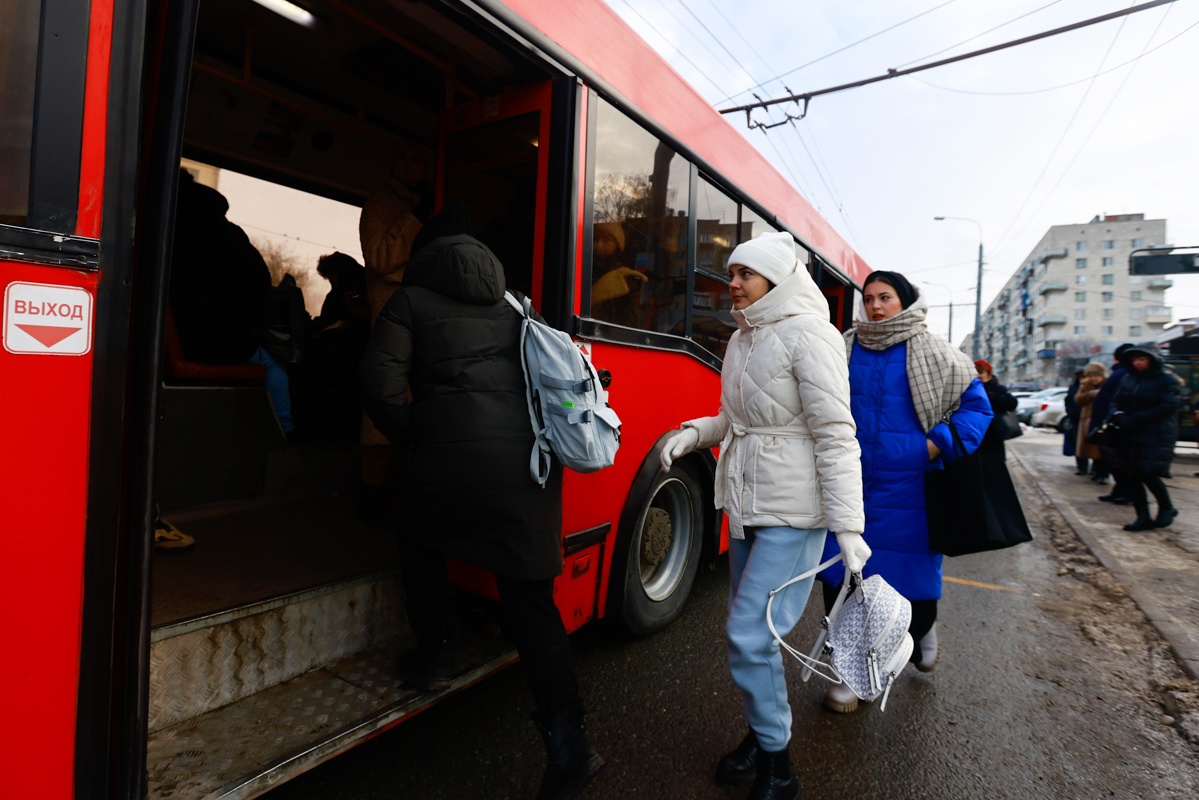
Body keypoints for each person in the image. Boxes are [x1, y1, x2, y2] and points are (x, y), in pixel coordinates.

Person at [359, 204, 602, 800]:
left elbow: (378, 386)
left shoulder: (409, 300)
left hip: (445, 464)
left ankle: (437, 651)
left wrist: (419, 433)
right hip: (528, 474)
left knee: (416, 538)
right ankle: (569, 743)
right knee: (531, 606)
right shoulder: (516, 302)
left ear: (428, 253)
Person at [658, 232, 869, 800]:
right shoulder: (742, 339)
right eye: (731, 274)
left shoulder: (812, 335)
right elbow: (733, 416)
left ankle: (779, 765)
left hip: (795, 510)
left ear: (775, 280)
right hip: (746, 502)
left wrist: (848, 526)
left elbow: (835, 433)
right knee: (755, 635)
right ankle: (762, 734)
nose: (731, 283)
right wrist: (695, 433)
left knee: (749, 634)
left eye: (744, 274)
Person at [817, 270, 992, 713]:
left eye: (885, 298)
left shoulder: (936, 352)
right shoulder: (843, 346)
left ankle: (922, 630)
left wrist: (935, 445)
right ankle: (849, 674)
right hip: (849, 483)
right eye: (869, 298)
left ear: (906, 301)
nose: (875, 307)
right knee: (842, 579)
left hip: (911, 487)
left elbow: (976, 409)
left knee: (909, 582)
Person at [169, 170, 294, 435]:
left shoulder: (164, 227)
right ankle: (285, 432)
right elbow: (258, 283)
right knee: (274, 362)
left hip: (177, 335)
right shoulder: (225, 234)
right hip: (218, 341)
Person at [357, 147, 434, 523]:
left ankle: (405, 496)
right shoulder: (380, 204)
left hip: (429, 315)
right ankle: (371, 497)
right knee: (385, 401)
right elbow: (378, 257)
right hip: (392, 311)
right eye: (403, 158)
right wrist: (414, 219)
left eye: (416, 159)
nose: (409, 165)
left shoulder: (432, 204)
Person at [1110, 343, 1182, 531]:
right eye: (1134, 359)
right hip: (1129, 433)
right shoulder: (1128, 378)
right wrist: (1118, 415)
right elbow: (1116, 400)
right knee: (1131, 474)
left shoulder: (1167, 380)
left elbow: (1168, 406)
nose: (1137, 363)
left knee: (1148, 473)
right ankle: (1142, 516)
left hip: (1155, 434)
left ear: (1152, 359)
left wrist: (1135, 418)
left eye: (1142, 359)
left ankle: (1166, 507)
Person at [1093, 344, 1134, 504]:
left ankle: (1125, 492)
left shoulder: (1123, 374)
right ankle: (1119, 490)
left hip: (1115, 425)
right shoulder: (1121, 373)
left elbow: (1116, 400)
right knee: (1114, 461)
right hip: (1111, 423)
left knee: (1117, 462)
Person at [590, 221, 647, 328]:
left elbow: (632, 324)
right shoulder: (581, 270)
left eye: (607, 240)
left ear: (618, 247)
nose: (598, 245)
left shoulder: (626, 279)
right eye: (595, 239)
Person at [1074, 362, 1109, 483]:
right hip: (1087, 420)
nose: (1093, 378)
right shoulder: (1086, 384)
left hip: (1103, 419)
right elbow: (1078, 399)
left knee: (1101, 449)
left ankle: (1103, 473)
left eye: (1096, 375)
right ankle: (1095, 470)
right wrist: (1091, 393)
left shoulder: (1108, 384)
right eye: (1090, 376)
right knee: (1091, 447)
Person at [974, 359, 1018, 454]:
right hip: (975, 433)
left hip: (993, 435)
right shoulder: (970, 388)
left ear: (988, 373)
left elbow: (1012, 404)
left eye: (981, 372)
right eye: (975, 373)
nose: (977, 376)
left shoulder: (997, 388)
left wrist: (992, 396)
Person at [1063, 370, 1084, 473]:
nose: (1082, 379)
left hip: (1089, 420)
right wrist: (1070, 412)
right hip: (1076, 420)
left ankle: (1097, 471)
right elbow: (1068, 400)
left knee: (1092, 445)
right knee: (1077, 444)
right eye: (1080, 377)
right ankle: (1081, 467)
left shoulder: (1093, 386)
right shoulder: (1073, 388)